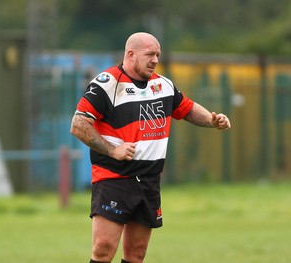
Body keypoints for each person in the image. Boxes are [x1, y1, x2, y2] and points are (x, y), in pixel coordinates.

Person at [70, 32, 231, 263]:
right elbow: (78, 124)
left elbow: (187, 108)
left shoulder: (163, 85)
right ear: (131, 54)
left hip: (148, 180)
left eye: (158, 54)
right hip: (114, 178)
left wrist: (212, 120)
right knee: (103, 249)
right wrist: (112, 149)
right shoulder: (107, 84)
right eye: (150, 54)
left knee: (137, 254)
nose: (155, 60)